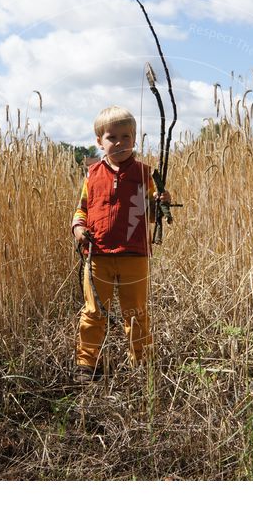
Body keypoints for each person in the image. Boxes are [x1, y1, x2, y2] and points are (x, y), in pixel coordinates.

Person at [70, 105, 172, 384]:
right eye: (112, 137)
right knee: (93, 312)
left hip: (133, 255)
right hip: (98, 254)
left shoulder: (145, 174)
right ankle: (87, 365)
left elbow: (151, 215)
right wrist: (79, 228)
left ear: (135, 138)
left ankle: (141, 363)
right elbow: (82, 209)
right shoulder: (92, 175)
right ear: (99, 142)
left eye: (126, 136)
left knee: (136, 312)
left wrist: (160, 204)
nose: (119, 143)